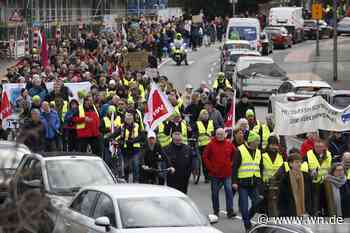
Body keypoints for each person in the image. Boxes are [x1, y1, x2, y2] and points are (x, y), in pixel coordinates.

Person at [232, 131, 264, 232]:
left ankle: (247, 219)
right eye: (256, 141)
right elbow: (234, 167)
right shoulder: (240, 150)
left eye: (258, 142)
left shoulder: (258, 152)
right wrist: (234, 182)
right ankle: (247, 226)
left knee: (257, 204)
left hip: (254, 183)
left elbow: (260, 168)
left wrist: (260, 182)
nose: (258, 143)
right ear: (250, 141)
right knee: (244, 207)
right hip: (242, 184)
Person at [203, 128, 236, 218]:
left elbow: (235, 154)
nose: (220, 136)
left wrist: (231, 163)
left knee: (229, 191)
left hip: (227, 173)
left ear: (224, 135)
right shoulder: (210, 145)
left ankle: (230, 211)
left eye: (221, 134)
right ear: (215, 135)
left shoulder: (229, 144)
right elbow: (205, 157)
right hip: (215, 174)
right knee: (215, 193)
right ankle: (216, 210)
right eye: (218, 134)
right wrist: (210, 167)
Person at [278, 152, 312, 217]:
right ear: (290, 164)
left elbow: (310, 195)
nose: (299, 164)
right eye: (296, 162)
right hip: (290, 214)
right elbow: (281, 199)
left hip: (306, 213)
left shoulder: (306, 176)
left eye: (300, 162)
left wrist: (310, 211)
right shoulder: (285, 178)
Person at [261, 136, 288, 217]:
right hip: (266, 185)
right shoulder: (263, 155)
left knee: (275, 206)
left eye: (275, 145)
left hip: (278, 185)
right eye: (272, 144)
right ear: (268, 145)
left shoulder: (281, 156)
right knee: (266, 206)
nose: (274, 147)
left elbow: (284, 168)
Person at [304, 139, 332, 216]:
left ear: (324, 147)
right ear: (314, 146)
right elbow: (303, 167)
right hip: (313, 183)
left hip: (325, 182)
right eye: (316, 146)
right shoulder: (308, 154)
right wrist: (310, 173)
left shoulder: (329, 155)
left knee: (326, 202)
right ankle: (315, 214)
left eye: (320, 147)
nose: (318, 148)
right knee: (315, 203)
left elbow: (331, 167)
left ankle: (326, 215)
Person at [113, 112, 143, 183]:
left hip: (135, 149)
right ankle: (126, 181)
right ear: (125, 119)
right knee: (126, 166)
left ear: (133, 119)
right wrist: (110, 138)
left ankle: (136, 181)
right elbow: (115, 134)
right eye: (127, 118)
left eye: (130, 118)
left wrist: (133, 140)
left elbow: (142, 136)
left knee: (135, 165)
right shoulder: (122, 126)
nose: (129, 120)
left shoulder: (137, 125)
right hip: (125, 149)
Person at [194, 109, 215, 183]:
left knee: (212, 161)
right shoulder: (197, 123)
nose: (205, 115)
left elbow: (215, 131)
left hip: (211, 145)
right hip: (202, 145)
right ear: (200, 115)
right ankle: (207, 177)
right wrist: (196, 137)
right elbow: (195, 133)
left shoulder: (211, 122)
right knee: (205, 161)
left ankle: (211, 175)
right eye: (203, 114)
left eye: (206, 114)